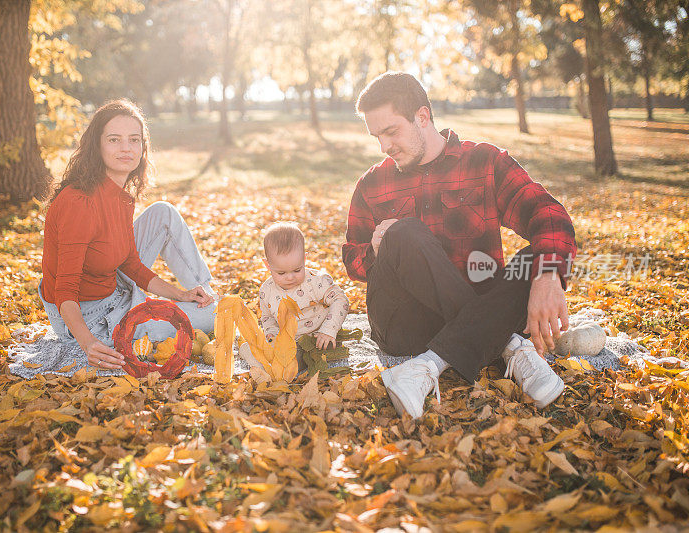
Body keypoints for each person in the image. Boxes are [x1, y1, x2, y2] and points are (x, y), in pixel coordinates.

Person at [342, 72, 577, 419]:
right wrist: (377, 249)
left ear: (423, 117)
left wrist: (547, 276)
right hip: (405, 325)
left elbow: (547, 212)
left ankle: (427, 366)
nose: (384, 146)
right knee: (404, 233)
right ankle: (509, 346)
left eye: (390, 132)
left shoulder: (484, 162)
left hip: (479, 310)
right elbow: (352, 259)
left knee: (536, 258)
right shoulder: (373, 183)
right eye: (377, 136)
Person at [39, 99, 216, 373]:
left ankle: (205, 293)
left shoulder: (120, 195)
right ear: (96, 146)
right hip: (89, 317)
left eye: (134, 140)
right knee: (214, 317)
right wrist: (88, 344)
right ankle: (210, 308)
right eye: (114, 139)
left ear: (143, 147)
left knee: (163, 213)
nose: (126, 148)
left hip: (112, 286)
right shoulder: (79, 203)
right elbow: (64, 291)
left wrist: (181, 295)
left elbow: (131, 264)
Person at [239, 222, 349, 370]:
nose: (290, 277)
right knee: (281, 354)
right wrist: (272, 335)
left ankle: (267, 364)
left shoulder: (315, 282)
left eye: (297, 270)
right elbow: (268, 318)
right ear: (268, 265)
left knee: (304, 359)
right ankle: (259, 357)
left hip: (320, 337)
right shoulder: (267, 291)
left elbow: (340, 300)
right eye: (282, 273)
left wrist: (329, 329)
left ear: (304, 259)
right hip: (290, 341)